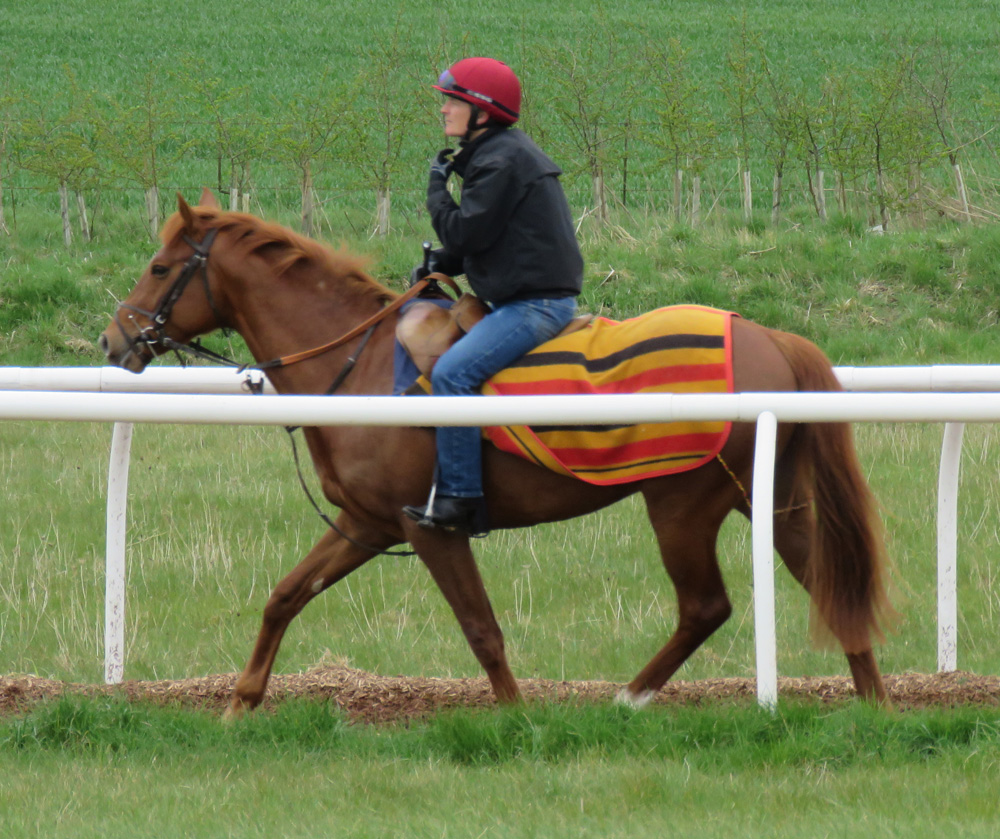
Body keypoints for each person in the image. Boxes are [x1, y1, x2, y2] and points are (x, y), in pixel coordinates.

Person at [402, 57, 584, 536]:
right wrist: (443, 263)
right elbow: (489, 241)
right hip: (525, 296)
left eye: (451, 101)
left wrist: (437, 189)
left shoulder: (501, 160)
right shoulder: (499, 154)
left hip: (535, 307)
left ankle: (460, 500)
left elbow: (464, 232)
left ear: (480, 112)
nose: (443, 110)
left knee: (453, 373)